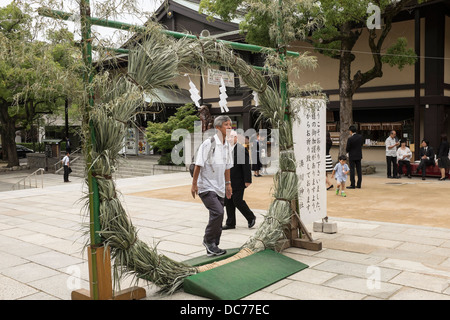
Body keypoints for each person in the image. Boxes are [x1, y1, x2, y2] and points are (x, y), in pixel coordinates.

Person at [191, 115, 233, 256]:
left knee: (218, 216)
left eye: (230, 124)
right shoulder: (209, 143)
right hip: (206, 186)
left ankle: (213, 246)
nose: (229, 127)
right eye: (226, 125)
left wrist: (228, 184)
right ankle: (208, 241)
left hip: (220, 186)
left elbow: (227, 167)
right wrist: (194, 184)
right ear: (218, 128)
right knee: (218, 212)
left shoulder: (227, 145)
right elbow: (198, 164)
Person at [223, 131, 256, 230]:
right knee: (228, 201)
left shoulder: (241, 149)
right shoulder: (226, 149)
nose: (229, 139)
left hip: (239, 180)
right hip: (228, 181)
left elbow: (246, 166)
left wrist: (247, 180)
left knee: (237, 201)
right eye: (228, 137)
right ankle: (230, 223)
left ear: (236, 138)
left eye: (231, 137)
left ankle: (251, 217)